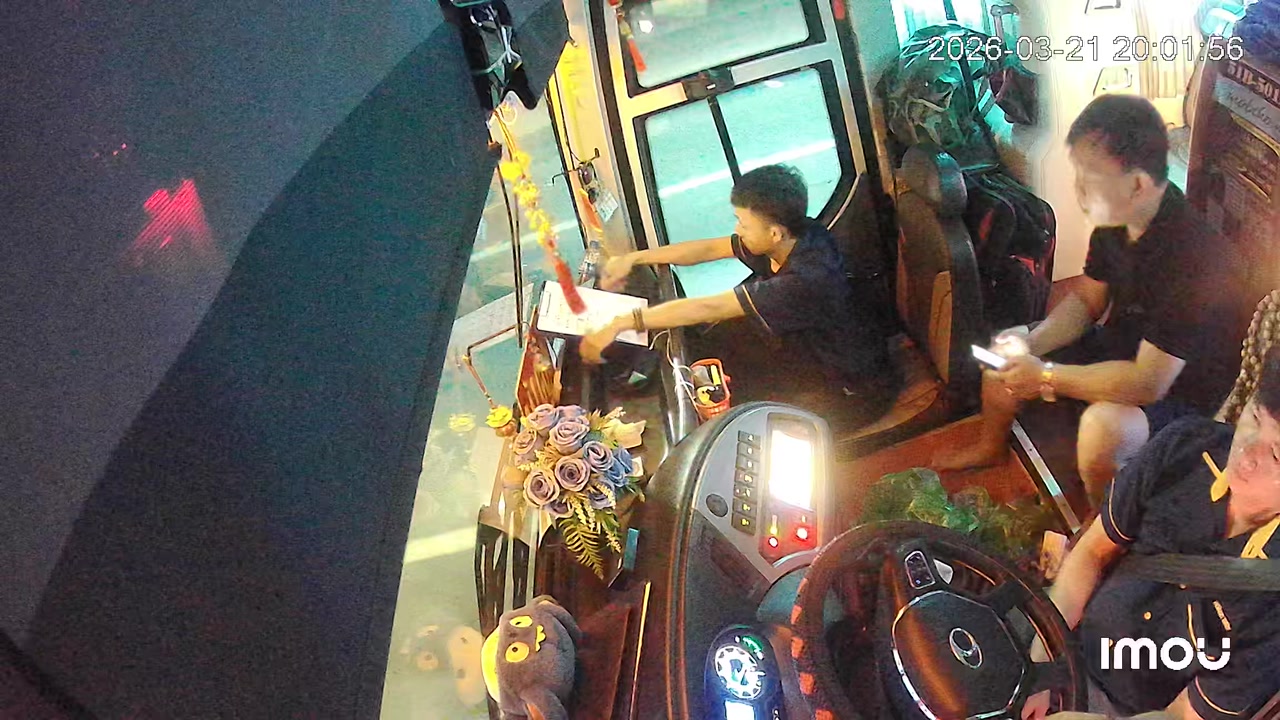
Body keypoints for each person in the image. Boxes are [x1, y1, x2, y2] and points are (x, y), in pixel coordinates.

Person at [936, 94, 1243, 506]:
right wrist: (1032, 343)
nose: (1080, 190)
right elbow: (1086, 301)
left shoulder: (1193, 258)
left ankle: (1104, 520)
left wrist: (1046, 377)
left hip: (1184, 394)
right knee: (1008, 344)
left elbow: (1148, 383)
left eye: (1091, 177)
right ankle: (990, 447)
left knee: (1102, 428)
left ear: (1137, 184)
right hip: (1127, 348)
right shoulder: (1117, 221)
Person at [1023, 345, 1280, 720]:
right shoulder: (1186, 446)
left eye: (1276, 455)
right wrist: (1043, 660)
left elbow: (1182, 715)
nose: (1246, 452)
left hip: (1127, 711)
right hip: (1064, 634)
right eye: (1254, 418)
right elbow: (1093, 552)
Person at [579, 164, 898, 429]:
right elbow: (709, 249)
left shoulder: (806, 280)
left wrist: (621, 323)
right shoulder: (795, 234)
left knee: (739, 422)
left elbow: (710, 306)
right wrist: (636, 258)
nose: (738, 230)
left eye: (743, 224)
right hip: (812, 353)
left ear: (775, 232)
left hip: (853, 390)